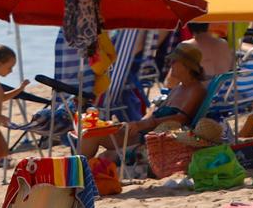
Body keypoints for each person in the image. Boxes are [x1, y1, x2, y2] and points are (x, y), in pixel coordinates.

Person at [80, 43, 209, 160]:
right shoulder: (178, 88)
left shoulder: (196, 90)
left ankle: (75, 176)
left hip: (151, 139)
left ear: (186, 65)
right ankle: (77, 174)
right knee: (93, 132)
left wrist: (142, 125)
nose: (170, 64)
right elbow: (155, 114)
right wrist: (135, 124)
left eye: (174, 61)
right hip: (146, 132)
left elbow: (182, 119)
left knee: (91, 135)